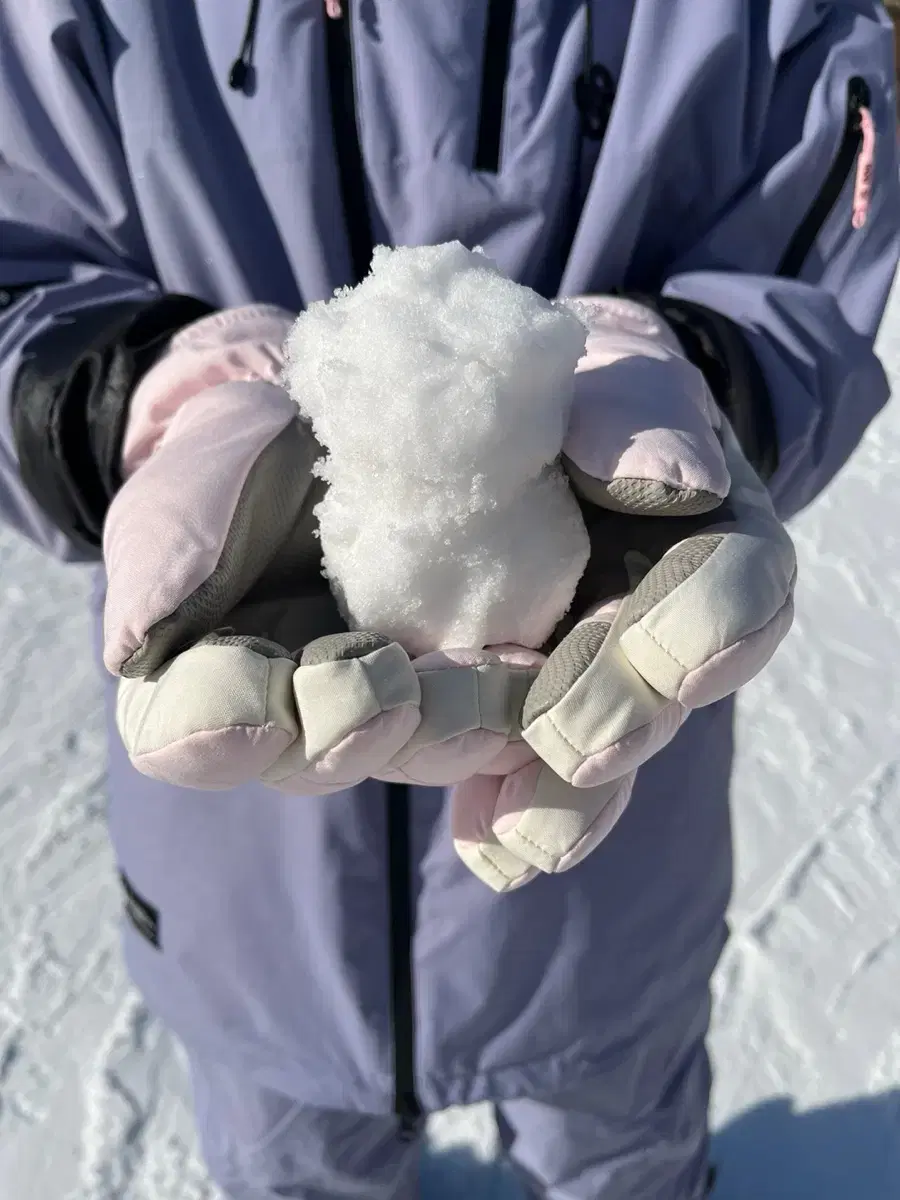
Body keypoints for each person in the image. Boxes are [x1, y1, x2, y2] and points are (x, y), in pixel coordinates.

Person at [1, 2, 897, 1197]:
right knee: (288, 1165)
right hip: (248, 875)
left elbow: (810, 250)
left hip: (602, 811)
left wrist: (691, 370)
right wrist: (145, 402)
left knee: (625, 1156)